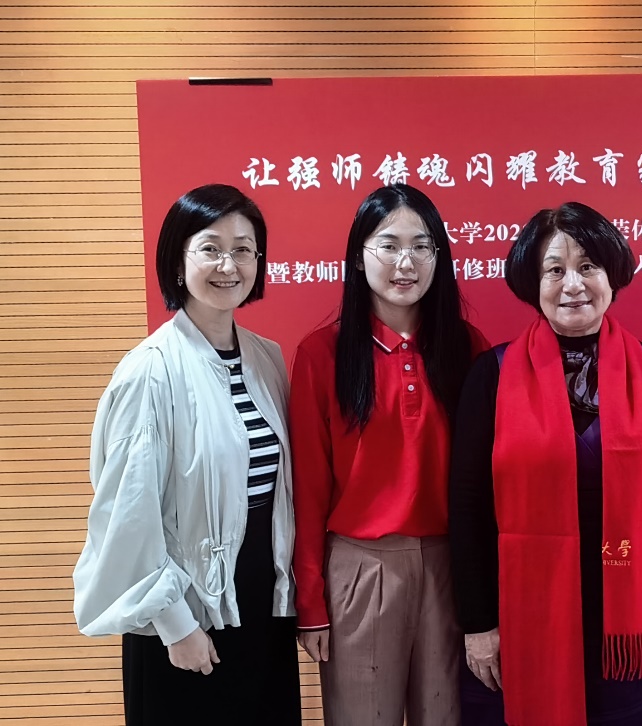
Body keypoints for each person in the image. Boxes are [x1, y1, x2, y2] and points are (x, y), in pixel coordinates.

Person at [449, 202, 642, 726]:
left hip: (628, 624)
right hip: (522, 619)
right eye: (554, 269)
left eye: (588, 266)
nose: (572, 284)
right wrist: (477, 624)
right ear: (533, 281)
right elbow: (467, 508)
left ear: (612, 275)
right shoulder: (492, 374)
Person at [73, 184, 300, 725]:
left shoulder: (266, 358)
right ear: (178, 261)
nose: (229, 265)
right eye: (211, 248)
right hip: (184, 613)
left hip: (259, 601)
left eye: (243, 249)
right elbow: (127, 517)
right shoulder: (149, 370)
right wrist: (175, 625)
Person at [290, 184, 487, 726]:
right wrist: (311, 601)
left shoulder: (468, 347)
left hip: (449, 566)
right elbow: (308, 488)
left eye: (422, 246)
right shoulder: (322, 354)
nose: (407, 262)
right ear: (359, 257)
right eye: (389, 245)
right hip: (360, 566)